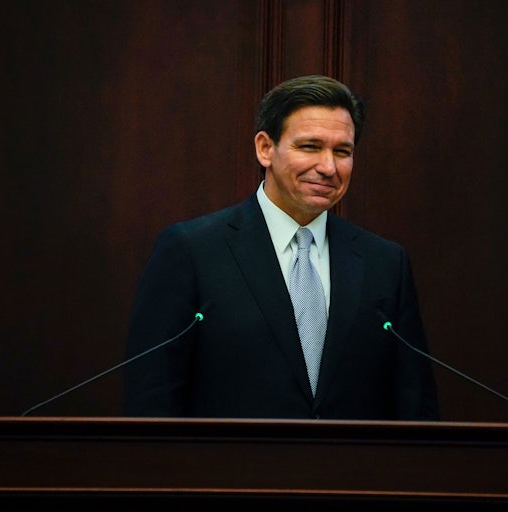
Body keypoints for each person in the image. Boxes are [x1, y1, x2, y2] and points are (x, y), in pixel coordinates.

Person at [123, 75, 439, 420]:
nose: (328, 167)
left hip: (352, 472)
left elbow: (414, 403)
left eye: (342, 152)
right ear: (265, 148)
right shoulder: (192, 251)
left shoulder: (385, 263)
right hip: (226, 471)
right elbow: (151, 397)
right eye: (310, 147)